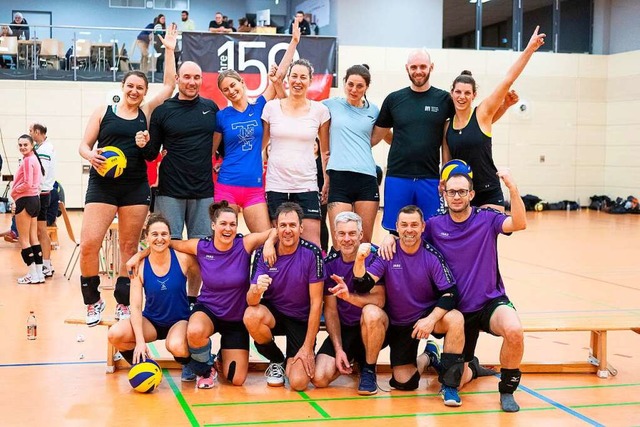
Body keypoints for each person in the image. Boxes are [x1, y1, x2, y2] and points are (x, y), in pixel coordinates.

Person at [380, 170, 528, 412]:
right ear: (444, 193)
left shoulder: (487, 218)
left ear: (471, 194)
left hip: (489, 301)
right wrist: (389, 238)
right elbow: (409, 237)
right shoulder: (435, 225)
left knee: (514, 331)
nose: (457, 196)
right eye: (452, 192)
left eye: (462, 191)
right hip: (456, 309)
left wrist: (512, 189)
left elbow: (519, 223)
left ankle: (507, 390)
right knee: (458, 379)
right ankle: (468, 366)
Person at [77, 24, 177, 327]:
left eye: (140, 88)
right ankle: (93, 301)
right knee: (90, 243)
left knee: (129, 248)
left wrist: (170, 50)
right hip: (102, 187)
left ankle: (123, 302)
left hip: (135, 187)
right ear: (123, 87)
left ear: (144, 92)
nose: (135, 91)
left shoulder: (146, 112)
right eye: (130, 86)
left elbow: (170, 85)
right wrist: (89, 155)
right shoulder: (102, 112)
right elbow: (84, 144)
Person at [370, 49, 514, 231]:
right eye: (414, 67)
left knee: (432, 230)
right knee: (396, 230)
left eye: (423, 66)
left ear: (431, 67)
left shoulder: (444, 99)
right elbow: (377, 136)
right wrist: (402, 142)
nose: (418, 71)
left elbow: (475, 123)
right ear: (407, 68)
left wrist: (504, 107)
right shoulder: (394, 99)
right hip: (398, 176)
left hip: (431, 179)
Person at [354, 205, 466, 407]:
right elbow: (363, 285)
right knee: (405, 382)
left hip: (422, 319)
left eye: (414, 224)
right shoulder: (388, 252)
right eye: (404, 225)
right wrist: (360, 260)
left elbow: (451, 294)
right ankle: (423, 358)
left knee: (456, 317)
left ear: (423, 227)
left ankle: (449, 385)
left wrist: (430, 320)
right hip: (396, 323)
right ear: (397, 227)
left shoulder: (431, 255)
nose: (409, 229)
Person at [145, 60, 219, 313]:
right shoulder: (163, 111)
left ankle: (193, 299)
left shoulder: (211, 108)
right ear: (177, 78)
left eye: (196, 77)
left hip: (203, 191)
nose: (192, 82)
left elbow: (220, 145)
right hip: (170, 190)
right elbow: (151, 152)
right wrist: (142, 142)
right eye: (187, 77)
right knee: (168, 247)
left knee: (202, 251)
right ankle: (171, 299)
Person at [443, 27, 545, 212]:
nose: (462, 96)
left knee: (487, 240)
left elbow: (507, 80)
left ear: (474, 95)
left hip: (488, 190)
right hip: (462, 195)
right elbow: (447, 164)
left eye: (467, 93)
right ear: (452, 93)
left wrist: (529, 49)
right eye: (458, 92)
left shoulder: (482, 112)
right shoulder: (448, 126)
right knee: (464, 241)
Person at [213, 22, 300, 233]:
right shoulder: (221, 116)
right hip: (227, 185)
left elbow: (278, 77)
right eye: (226, 90)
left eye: (233, 85)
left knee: (265, 238)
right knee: (225, 241)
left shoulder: (259, 106)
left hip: (254, 188)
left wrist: (294, 42)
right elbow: (210, 152)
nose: (231, 91)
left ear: (242, 83)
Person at [243, 202, 324, 391]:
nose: (288, 230)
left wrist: (307, 348)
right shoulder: (264, 252)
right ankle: (277, 359)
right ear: (276, 228)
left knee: (298, 383)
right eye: (283, 225)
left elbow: (316, 303)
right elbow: (250, 301)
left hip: (300, 318)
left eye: (292, 225)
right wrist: (256, 290)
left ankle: (297, 358)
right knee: (251, 315)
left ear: (301, 228)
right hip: (275, 313)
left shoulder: (312, 254)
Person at [108, 214, 197, 370]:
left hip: (179, 321)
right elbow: (135, 306)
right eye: (154, 234)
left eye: (164, 234)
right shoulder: (139, 266)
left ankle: (200, 369)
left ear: (170, 237)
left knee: (176, 345)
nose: (160, 239)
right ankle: (145, 367)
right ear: (146, 238)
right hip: (152, 322)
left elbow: (198, 273)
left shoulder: (183, 259)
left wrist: (193, 297)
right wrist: (140, 342)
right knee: (115, 334)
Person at [311, 212, 386, 395]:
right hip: (346, 329)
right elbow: (330, 311)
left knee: (371, 313)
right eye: (342, 234)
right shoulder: (329, 264)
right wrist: (338, 350)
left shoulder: (374, 256)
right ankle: (354, 357)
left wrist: (349, 297)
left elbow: (379, 300)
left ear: (361, 235)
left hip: (373, 326)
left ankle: (368, 368)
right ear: (335, 235)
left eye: (352, 234)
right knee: (319, 378)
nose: (347, 239)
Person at [262, 59, 330, 247]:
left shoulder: (320, 111)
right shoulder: (271, 108)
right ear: (288, 80)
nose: (298, 81)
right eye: (294, 76)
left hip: (306, 185)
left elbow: (325, 151)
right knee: (277, 242)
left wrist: (326, 181)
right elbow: (260, 145)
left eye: (303, 77)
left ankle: (313, 277)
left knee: (312, 243)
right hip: (276, 184)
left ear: (310, 80)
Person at [323, 64, 388, 245]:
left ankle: (363, 274)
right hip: (339, 178)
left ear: (367, 87)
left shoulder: (374, 110)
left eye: (360, 86)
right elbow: (302, 109)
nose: (354, 90)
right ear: (344, 83)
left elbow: (386, 135)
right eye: (350, 84)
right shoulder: (330, 105)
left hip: (366, 178)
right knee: (339, 241)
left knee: (364, 242)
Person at [11, 134, 44, 284]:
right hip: (34, 200)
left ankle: (32, 274)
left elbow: (27, 183)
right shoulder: (34, 159)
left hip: (25, 199)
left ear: (32, 145)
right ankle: (39, 273)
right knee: (33, 238)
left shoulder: (27, 160)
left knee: (23, 239)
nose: (23, 147)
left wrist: (14, 191)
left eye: (25, 144)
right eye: (20, 145)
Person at [30, 123, 56, 278]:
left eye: (31, 131)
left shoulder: (45, 149)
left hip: (42, 194)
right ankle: (45, 263)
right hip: (42, 192)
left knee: (41, 230)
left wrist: (34, 190)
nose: (30, 134)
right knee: (38, 231)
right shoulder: (43, 147)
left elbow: (42, 173)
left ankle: (46, 264)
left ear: (37, 132)